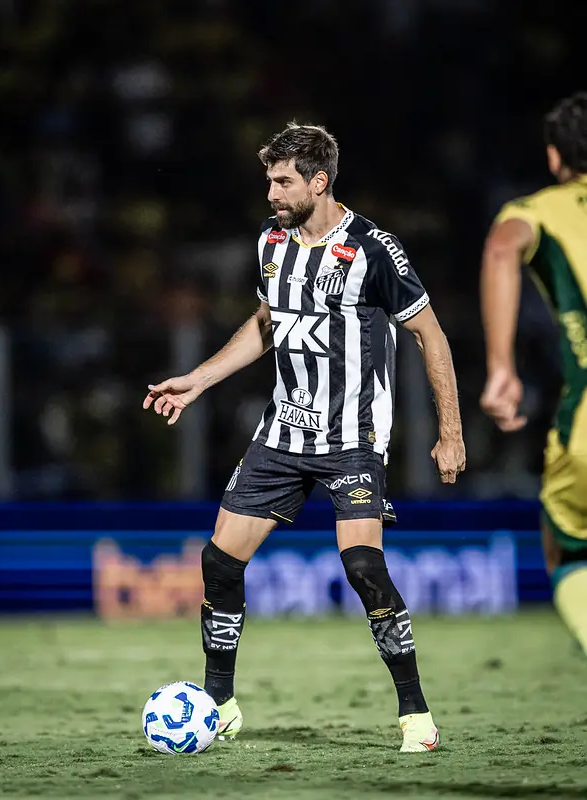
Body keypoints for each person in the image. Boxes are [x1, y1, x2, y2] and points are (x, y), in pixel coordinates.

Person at [144, 123, 466, 751]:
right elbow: (267, 323)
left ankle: (415, 715)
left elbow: (431, 335)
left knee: (363, 567)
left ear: (320, 183)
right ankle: (220, 703)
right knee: (219, 561)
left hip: (351, 437)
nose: (271, 193)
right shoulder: (271, 241)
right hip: (282, 432)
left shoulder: (374, 249)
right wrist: (198, 380)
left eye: (283, 182)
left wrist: (449, 432)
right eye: (269, 180)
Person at [480, 91, 587, 656]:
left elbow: (502, 251)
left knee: (566, 545)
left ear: (554, 156)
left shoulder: (538, 210)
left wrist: (502, 367)